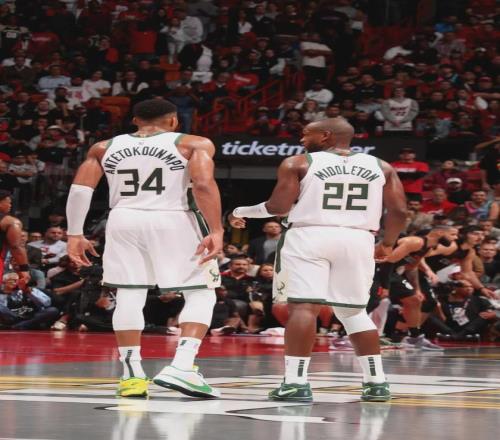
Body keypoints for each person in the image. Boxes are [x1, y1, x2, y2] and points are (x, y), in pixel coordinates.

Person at [230, 118, 408, 402]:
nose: (302, 139)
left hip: (309, 235)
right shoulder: (381, 166)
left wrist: (240, 211)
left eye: (306, 134)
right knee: (353, 312)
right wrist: (388, 243)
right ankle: (376, 383)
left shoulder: (298, 163)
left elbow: (278, 207)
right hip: (358, 238)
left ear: (325, 136)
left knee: (303, 308)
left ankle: (296, 383)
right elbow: (399, 211)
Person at [65, 99, 223, 399]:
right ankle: (182, 366)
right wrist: (216, 229)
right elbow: (203, 184)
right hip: (174, 218)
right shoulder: (193, 143)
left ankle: (131, 376)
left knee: (129, 293)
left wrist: (75, 233)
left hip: (123, 219)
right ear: (174, 121)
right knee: (201, 291)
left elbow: (80, 190)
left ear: (135, 120)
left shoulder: (103, 147)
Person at [378, 226, 460, 349]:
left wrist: (417, 289)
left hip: (391, 273)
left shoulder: (427, 248)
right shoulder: (415, 242)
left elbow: (412, 268)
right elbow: (388, 262)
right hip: (377, 269)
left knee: (414, 300)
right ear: (439, 232)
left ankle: (414, 338)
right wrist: (385, 286)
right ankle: (348, 335)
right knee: (372, 302)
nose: (456, 238)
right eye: (453, 234)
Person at [0, 191, 30, 287]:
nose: (10, 205)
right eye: (8, 202)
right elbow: (16, 247)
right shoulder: (10, 222)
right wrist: (24, 269)